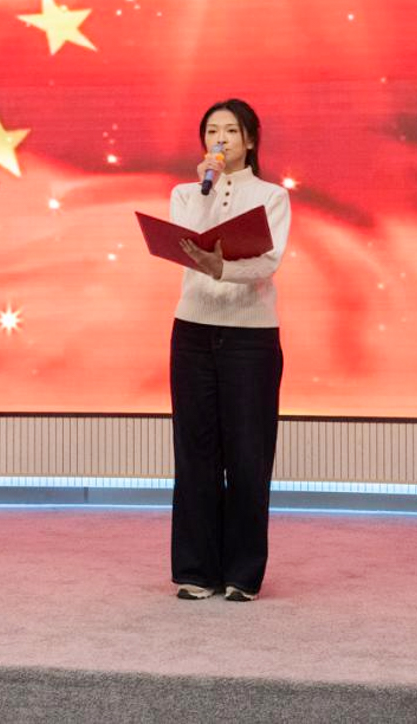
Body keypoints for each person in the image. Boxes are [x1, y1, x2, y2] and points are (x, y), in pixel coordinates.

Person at [168, 98, 291, 602]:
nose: (220, 139)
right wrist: (208, 185)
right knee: (195, 450)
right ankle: (197, 570)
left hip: (250, 335)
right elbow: (186, 243)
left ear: (250, 140)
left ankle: (243, 573)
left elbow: (269, 260)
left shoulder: (272, 196)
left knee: (247, 453)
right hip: (193, 331)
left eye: (231, 131)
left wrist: (224, 269)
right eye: (212, 131)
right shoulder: (184, 192)